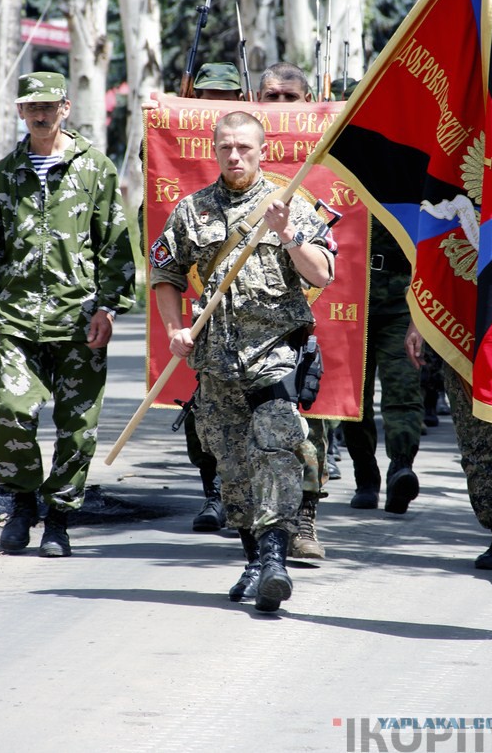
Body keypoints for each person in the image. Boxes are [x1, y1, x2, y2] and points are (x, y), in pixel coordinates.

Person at [149, 110, 336, 611]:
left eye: (245, 148)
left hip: (273, 356)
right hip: (216, 363)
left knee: (275, 453)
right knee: (232, 469)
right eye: (226, 147)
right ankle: (254, 559)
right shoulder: (193, 210)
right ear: (215, 150)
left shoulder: (288, 205)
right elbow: (164, 273)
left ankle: (275, 558)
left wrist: (288, 234)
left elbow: (322, 275)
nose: (235, 156)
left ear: (262, 151)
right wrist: (174, 330)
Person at [0, 71, 135, 557]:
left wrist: (109, 309)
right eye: (30, 107)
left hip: (79, 322)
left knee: (77, 427)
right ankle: (21, 504)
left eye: (48, 106)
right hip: (18, 322)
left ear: (64, 109)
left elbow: (115, 246)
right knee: (11, 411)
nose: (39, 114)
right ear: (20, 112)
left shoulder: (94, 169)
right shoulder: (5, 172)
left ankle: (58, 518)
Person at [405, 78, 492, 577]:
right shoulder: (457, 192)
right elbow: (435, 263)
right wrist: (421, 320)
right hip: (466, 332)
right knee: (477, 444)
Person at [257, 62, 332, 558]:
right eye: (270, 97)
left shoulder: (329, 152)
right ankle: (253, 514)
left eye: (290, 98)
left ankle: (304, 519)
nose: (279, 108)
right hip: (241, 329)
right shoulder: (234, 153)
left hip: (307, 318)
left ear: (308, 104)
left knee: (310, 419)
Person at [179, 62, 243, 532]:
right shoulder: (172, 130)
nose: (213, 103)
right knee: (209, 418)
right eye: (204, 95)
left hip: (271, 333)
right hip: (207, 318)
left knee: (274, 432)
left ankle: (285, 518)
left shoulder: (253, 140)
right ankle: (215, 495)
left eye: (225, 95)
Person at [342, 214, 423, 513]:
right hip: (349, 300)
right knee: (353, 398)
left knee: (403, 387)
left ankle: (401, 468)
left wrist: (419, 319)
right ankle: (365, 477)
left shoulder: (405, 180)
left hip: (401, 301)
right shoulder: (344, 177)